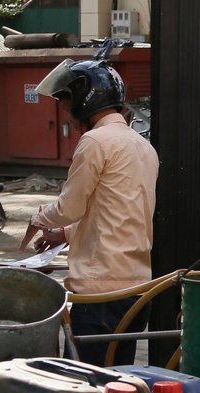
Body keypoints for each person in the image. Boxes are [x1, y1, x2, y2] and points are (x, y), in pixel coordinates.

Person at [20, 58, 158, 367]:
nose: (65, 108)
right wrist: (66, 235)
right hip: (136, 289)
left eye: (66, 99)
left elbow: (71, 206)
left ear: (86, 97)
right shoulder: (143, 146)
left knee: (84, 386)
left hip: (100, 293)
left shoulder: (95, 141)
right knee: (117, 383)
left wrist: (39, 217)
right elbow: (121, 211)